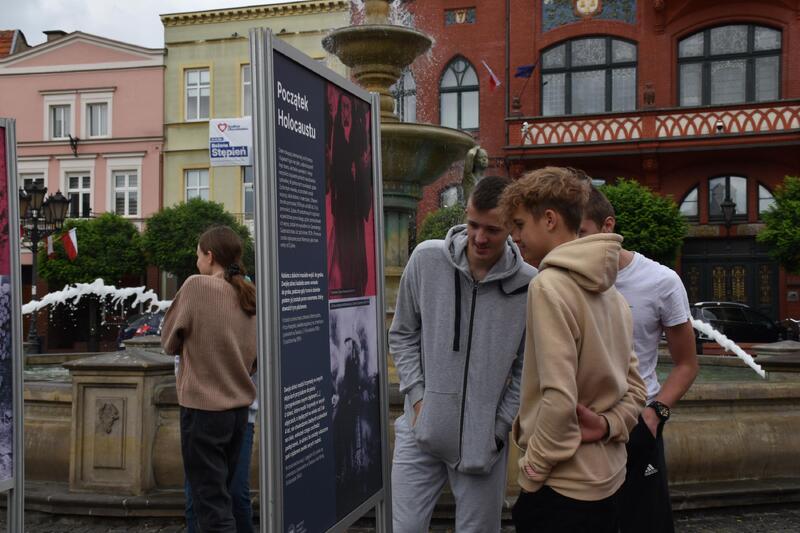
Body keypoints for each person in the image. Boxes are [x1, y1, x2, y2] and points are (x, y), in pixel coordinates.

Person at [500, 167, 647, 533]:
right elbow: (637, 390)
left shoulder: (547, 286)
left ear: (549, 220)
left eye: (519, 225)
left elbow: (558, 399)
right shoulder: (612, 294)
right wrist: (610, 424)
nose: (514, 237)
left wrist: (532, 472)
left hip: (561, 488)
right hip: (610, 479)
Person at [389, 176, 536, 533]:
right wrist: (419, 398)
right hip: (419, 429)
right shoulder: (426, 259)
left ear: (512, 228)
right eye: (473, 225)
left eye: (493, 229)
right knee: (406, 529)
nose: (480, 238)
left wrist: (499, 428)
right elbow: (403, 333)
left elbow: (528, 368)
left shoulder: (529, 285)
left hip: (483, 443)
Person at [578, 186, 699, 533]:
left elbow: (687, 364)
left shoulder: (661, 281)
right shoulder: (561, 280)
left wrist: (655, 413)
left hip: (637, 425)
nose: (576, 244)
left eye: (582, 233)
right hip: (581, 426)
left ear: (608, 226)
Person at [161, 225, 257, 532]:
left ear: (210, 256)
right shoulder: (246, 294)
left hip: (204, 412)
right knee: (223, 497)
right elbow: (252, 361)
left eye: (198, 255)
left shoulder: (196, 286)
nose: (196, 262)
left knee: (211, 507)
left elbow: (168, 341)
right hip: (238, 413)